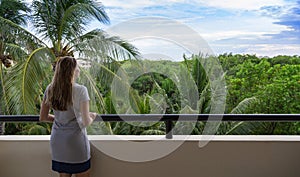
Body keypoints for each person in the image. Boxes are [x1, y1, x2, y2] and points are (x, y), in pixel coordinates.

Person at [39, 56, 97, 177]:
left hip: (58, 141)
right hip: (76, 142)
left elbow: (43, 117)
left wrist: (61, 119)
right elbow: (86, 122)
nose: (79, 70)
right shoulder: (81, 90)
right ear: (72, 71)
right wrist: (92, 115)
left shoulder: (50, 89)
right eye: (77, 67)